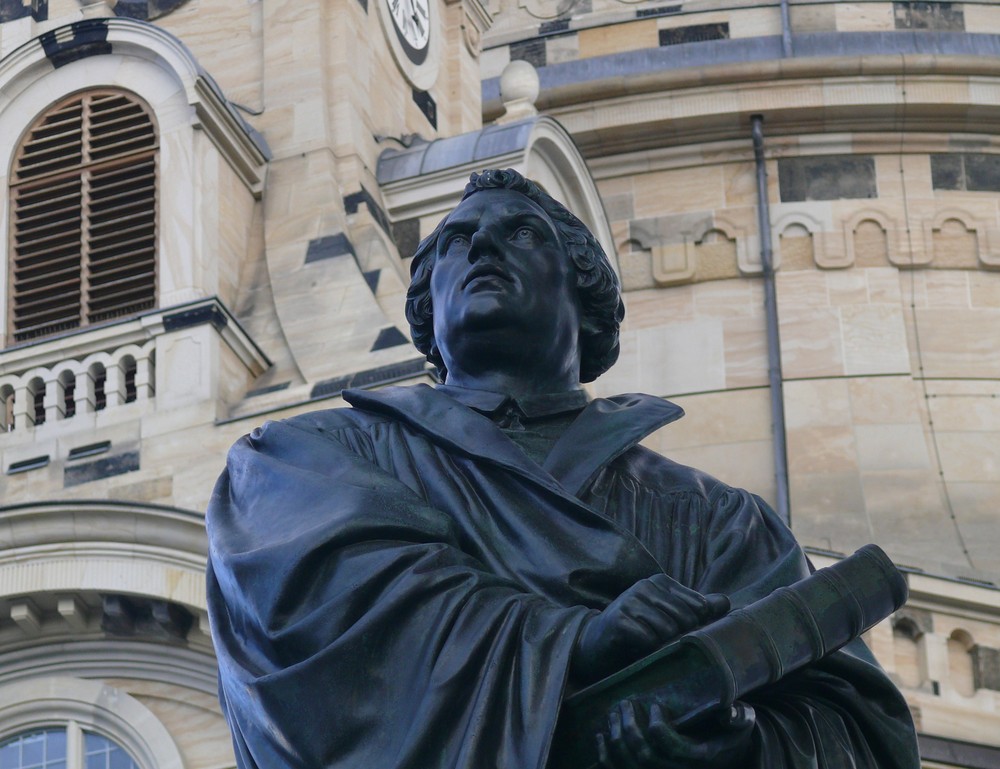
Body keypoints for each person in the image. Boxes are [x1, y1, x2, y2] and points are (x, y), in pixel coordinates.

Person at [206, 169, 920, 768]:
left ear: (585, 292)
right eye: (456, 241)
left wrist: (736, 743)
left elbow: (859, 734)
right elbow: (329, 626)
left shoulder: (716, 519)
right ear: (430, 308)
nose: (482, 242)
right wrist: (574, 641)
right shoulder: (300, 462)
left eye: (520, 232)